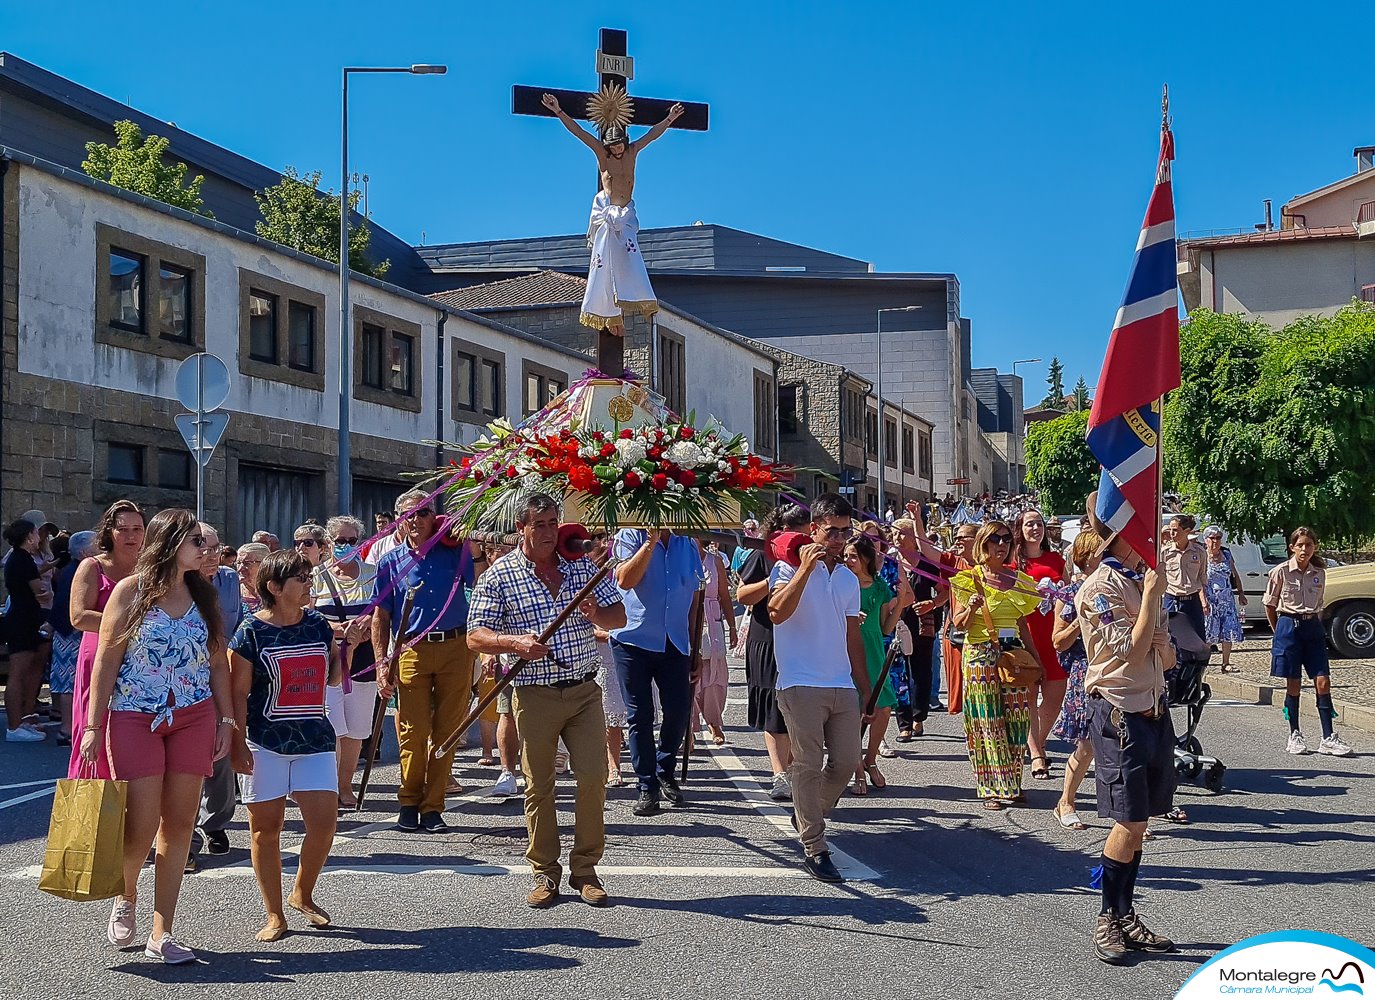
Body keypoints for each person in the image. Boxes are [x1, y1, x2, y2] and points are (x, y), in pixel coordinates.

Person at [80, 509, 230, 965]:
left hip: (194, 715)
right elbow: (106, 661)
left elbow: (217, 660)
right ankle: (126, 895)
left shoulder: (204, 594)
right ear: (170, 543)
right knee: (141, 823)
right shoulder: (131, 591)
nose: (203, 549)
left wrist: (227, 720)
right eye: (194, 541)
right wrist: (92, 725)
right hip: (134, 716)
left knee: (180, 823)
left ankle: (163, 930)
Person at [467, 493, 626, 908]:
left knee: (593, 778)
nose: (549, 532)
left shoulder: (581, 566)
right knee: (539, 785)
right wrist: (512, 642)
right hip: (534, 692)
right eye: (539, 524)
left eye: (553, 523)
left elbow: (619, 617)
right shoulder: (500, 575)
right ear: (521, 527)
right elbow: (474, 635)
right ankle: (544, 873)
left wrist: (596, 614)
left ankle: (586, 870)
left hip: (584, 689)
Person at [1074, 497, 1177, 964]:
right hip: (1120, 713)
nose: (1150, 538)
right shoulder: (1100, 589)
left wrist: (1161, 637)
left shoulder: (1139, 580)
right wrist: (1152, 601)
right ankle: (1107, 918)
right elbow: (1132, 655)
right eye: (1141, 530)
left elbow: (1165, 658)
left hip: (1154, 708)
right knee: (1129, 820)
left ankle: (1125, 912)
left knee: (1142, 821)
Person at [229, 549, 343, 941]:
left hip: (314, 737)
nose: (309, 584)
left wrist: (345, 646)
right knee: (266, 830)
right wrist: (237, 742)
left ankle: (302, 893)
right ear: (274, 587)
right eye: (300, 578)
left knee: (324, 826)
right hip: (264, 741)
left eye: (309, 577)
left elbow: (330, 680)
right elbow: (237, 693)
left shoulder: (318, 625)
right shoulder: (249, 632)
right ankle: (274, 914)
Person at [767, 493, 873, 884]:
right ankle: (815, 845)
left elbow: (851, 636)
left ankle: (807, 809)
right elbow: (776, 612)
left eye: (846, 532)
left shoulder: (847, 577)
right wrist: (803, 571)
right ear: (814, 530)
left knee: (845, 763)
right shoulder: (785, 569)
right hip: (799, 682)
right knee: (808, 765)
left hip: (840, 683)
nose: (839, 540)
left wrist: (864, 687)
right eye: (832, 532)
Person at [372, 489, 480, 833]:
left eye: (421, 513)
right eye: (407, 515)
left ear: (434, 516)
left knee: (447, 732)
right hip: (411, 650)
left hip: (456, 646)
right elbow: (380, 615)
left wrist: (473, 544)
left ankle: (433, 806)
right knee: (412, 732)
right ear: (398, 521)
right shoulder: (390, 561)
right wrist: (380, 662)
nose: (415, 520)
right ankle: (408, 801)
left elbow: (480, 582)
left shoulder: (455, 551)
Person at [541, 91, 684, 335]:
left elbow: (651, 135)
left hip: (626, 216)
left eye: (619, 144)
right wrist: (558, 111)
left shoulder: (632, 152)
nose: (617, 149)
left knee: (630, 260)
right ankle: (610, 314)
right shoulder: (602, 155)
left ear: (624, 142)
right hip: (608, 216)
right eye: (613, 146)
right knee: (605, 263)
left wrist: (669, 119)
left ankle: (631, 302)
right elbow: (580, 133)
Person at [610, 525, 703, 817]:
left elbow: (694, 594)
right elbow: (625, 579)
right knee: (640, 714)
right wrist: (649, 542)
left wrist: (694, 644)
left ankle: (666, 768)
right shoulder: (628, 535)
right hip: (632, 639)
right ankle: (646, 784)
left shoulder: (687, 542)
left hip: (675, 641)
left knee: (678, 711)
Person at [949, 521, 1043, 811]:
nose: (1001, 545)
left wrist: (1037, 662)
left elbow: (1023, 625)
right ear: (983, 545)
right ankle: (991, 786)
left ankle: (1012, 783)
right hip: (979, 655)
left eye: (1006, 540)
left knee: (1016, 719)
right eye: (994, 540)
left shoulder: (1021, 580)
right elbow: (958, 624)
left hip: (1012, 654)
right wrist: (973, 607)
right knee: (986, 721)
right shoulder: (968, 579)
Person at [738, 504, 809, 800]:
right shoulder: (763, 553)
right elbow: (742, 595)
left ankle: (795, 769)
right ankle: (780, 773)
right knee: (774, 706)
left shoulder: (814, 555)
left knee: (800, 705)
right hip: (767, 635)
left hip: (802, 635)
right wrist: (774, 581)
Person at [69, 501, 145, 776]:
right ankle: (97, 813)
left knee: (134, 739)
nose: (131, 536)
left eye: (137, 529)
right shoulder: (92, 567)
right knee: (95, 733)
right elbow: (78, 617)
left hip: (142, 661)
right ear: (109, 533)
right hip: (99, 657)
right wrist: (134, 625)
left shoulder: (149, 569)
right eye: (122, 529)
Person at [1265, 527, 1350, 756]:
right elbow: (1270, 605)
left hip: (1312, 626)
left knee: (1323, 681)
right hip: (1288, 627)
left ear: (1315, 547)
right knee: (1293, 684)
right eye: (1300, 545)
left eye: (1309, 545)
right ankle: (1294, 734)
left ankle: (1328, 737)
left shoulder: (1319, 572)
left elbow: (1319, 604)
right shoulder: (1280, 572)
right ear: (1292, 547)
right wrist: (1279, 632)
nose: (1305, 549)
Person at [191, 524, 245, 869]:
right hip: (189, 680)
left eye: (215, 547)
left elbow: (238, 624)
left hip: (223, 675)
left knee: (223, 751)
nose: (210, 555)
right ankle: (188, 835)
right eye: (203, 547)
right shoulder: (178, 584)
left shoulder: (229, 580)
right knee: (190, 757)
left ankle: (216, 823)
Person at [316, 516, 377, 809]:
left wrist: (365, 629)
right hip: (327, 661)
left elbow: (382, 613)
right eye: (339, 541)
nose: (345, 546)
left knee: (356, 728)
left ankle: (345, 785)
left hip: (364, 658)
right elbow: (306, 615)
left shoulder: (373, 575)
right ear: (329, 543)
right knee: (333, 725)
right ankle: (328, 787)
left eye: (351, 541)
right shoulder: (315, 577)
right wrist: (341, 631)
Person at [843, 534, 911, 795]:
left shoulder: (880, 586)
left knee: (882, 709)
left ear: (866, 559)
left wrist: (901, 602)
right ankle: (857, 768)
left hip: (873, 650)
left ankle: (870, 759)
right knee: (851, 713)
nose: (849, 560)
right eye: (847, 555)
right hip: (845, 649)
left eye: (854, 556)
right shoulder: (839, 582)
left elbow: (885, 627)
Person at [1051, 527, 1104, 831]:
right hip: (1086, 670)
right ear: (1085, 558)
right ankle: (1065, 802)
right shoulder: (1070, 593)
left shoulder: (1118, 586)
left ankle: (1127, 813)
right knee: (1087, 745)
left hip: (1117, 668)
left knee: (1120, 743)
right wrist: (1081, 621)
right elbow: (1058, 640)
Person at [1012, 508, 1068, 781]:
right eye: (1030, 524)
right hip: (1026, 638)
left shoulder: (1056, 560)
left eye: (1039, 524)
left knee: (1055, 697)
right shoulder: (1013, 564)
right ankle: (1037, 755)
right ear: (1020, 529)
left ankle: (1038, 741)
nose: (1035, 529)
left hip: (1054, 637)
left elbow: (1069, 595)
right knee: (1029, 699)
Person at [49, 531, 98, 745]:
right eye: (97, 544)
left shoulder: (70, 569)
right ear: (85, 551)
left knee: (68, 682)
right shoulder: (79, 571)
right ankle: (67, 729)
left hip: (66, 631)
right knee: (69, 683)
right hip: (70, 634)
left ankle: (69, 727)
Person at [4, 518, 51, 742]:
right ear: (28, 536)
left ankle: (21, 720)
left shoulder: (20, 558)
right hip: (21, 620)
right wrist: (45, 593)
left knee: (25, 671)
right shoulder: (21, 559)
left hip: (26, 618)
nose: (38, 537)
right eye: (35, 533)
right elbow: (39, 589)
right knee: (17, 673)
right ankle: (14, 727)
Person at [695, 541, 737, 746]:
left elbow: (724, 596)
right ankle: (688, 728)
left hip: (711, 622)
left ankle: (714, 722)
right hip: (687, 620)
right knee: (687, 673)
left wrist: (732, 626)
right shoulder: (679, 559)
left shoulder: (715, 561)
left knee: (713, 673)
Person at [940, 523, 979, 716]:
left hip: (986, 635)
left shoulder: (992, 566)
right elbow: (927, 554)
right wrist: (917, 522)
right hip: (959, 630)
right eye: (956, 536)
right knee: (962, 685)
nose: (957, 540)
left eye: (963, 536)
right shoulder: (953, 561)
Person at [1201, 526, 1246, 673]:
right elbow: (1199, 580)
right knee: (1209, 632)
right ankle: (1203, 663)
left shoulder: (1226, 554)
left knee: (1228, 631)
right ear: (1206, 540)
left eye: (1218, 538)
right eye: (1212, 538)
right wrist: (1203, 601)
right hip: (1210, 600)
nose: (1215, 541)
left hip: (1226, 600)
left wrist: (1240, 592)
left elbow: (1234, 573)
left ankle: (1226, 663)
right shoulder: (1202, 555)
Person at [1162, 514, 1208, 643]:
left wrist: (1205, 600)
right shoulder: (1164, 552)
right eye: (1170, 530)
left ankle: (1197, 663)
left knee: (1197, 637)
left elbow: (1202, 576)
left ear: (1186, 531)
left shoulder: (1199, 552)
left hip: (1191, 600)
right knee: (1169, 637)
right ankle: (1174, 663)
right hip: (1171, 599)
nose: (1171, 533)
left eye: (1175, 530)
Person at [236, 542, 269, 613]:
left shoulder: (276, 592)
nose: (240, 569)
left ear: (264, 565)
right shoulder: (233, 591)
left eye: (247, 563)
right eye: (238, 563)